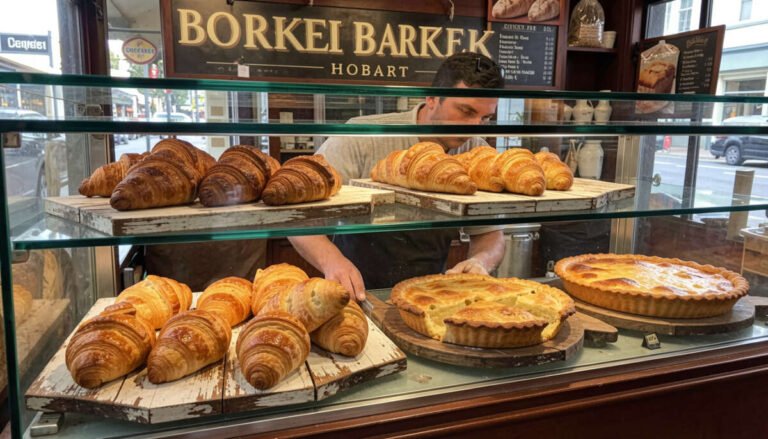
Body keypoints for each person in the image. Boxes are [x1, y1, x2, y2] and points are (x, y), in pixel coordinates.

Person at [289, 52, 507, 301]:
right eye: (466, 111)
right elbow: (298, 218)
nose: (474, 127)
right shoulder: (362, 137)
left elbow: (490, 233)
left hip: (428, 294)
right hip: (357, 291)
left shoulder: (477, 154)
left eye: (485, 118)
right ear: (432, 99)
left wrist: (481, 261)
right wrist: (334, 262)